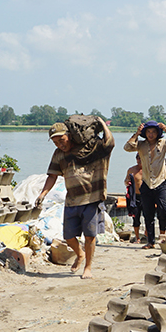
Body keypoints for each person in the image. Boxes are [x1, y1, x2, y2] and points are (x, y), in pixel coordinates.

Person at [35, 118, 115, 279]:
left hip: (92, 199)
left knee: (90, 236)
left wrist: (102, 124)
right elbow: (52, 175)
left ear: (69, 135)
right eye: (55, 142)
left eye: (61, 140)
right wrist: (43, 194)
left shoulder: (92, 148)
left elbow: (110, 143)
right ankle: (80, 254)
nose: (59, 144)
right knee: (69, 237)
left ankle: (88, 268)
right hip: (72, 200)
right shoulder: (59, 154)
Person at [123, 120, 166, 249]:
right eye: (148, 132)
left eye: (154, 132)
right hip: (147, 183)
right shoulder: (141, 145)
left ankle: (163, 236)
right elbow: (127, 147)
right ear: (145, 133)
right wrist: (136, 134)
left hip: (161, 182)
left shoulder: (164, 143)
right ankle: (151, 241)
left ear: (157, 133)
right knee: (148, 213)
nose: (151, 134)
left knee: (163, 209)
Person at [124, 154, 144, 243]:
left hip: (146, 196)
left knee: (149, 216)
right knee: (136, 218)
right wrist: (127, 182)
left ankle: (147, 235)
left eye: (141, 158)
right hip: (135, 196)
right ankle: (137, 237)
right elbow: (126, 181)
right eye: (138, 158)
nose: (139, 160)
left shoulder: (148, 170)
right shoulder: (131, 170)